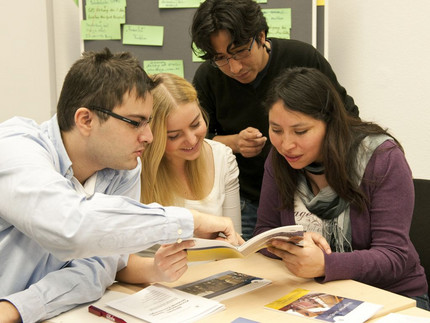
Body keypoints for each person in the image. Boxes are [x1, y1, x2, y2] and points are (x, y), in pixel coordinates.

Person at [0, 48, 240, 323]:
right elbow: (71, 227)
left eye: (148, 122)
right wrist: (188, 220)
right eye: (135, 123)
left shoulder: (122, 168)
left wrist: (16, 308)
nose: (148, 137)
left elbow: (99, 267)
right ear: (85, 120)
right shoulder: (14, 147)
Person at [254, 67, 429, 310]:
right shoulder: (279, 160)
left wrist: (325, 263)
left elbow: (393, 256)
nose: (286, 144)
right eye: (276, 130)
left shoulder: (382, 158)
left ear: (330, 123)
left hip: (392, 296)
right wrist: (294, 245)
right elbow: (265, 233)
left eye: (300, 131)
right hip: (315, 291)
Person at [191, 0, 359, 240]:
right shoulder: (208, 76)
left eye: (240, 51)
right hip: (247, 200)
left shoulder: (302, 58)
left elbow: (346, 117)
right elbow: (196, 140)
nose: (235, 67)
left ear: (260, 36)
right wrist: (235, 143)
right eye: (221, 58)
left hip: (309, 194)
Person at [141, 73, 242, 234]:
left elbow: (234, 238)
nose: (192, 140)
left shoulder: (222, 157)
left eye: (196, 124)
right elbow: (119, 255)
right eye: (174, 135)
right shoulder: (134, 169)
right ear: (153, 135)